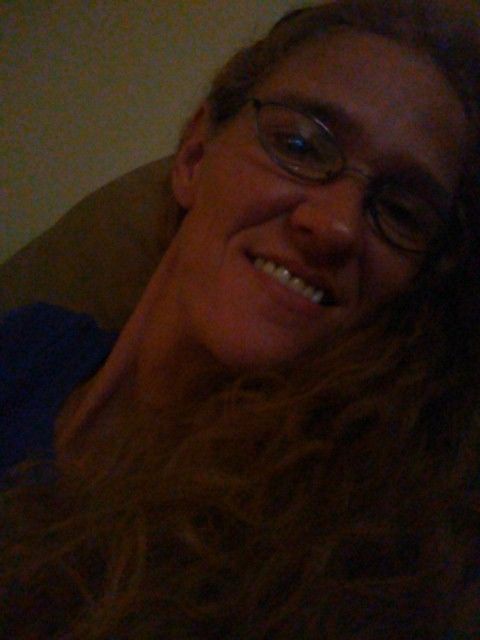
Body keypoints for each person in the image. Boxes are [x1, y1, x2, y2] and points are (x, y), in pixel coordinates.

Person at [1, 0, 479, 637]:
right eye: (300, 145)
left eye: (401, 211)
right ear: (195, 156)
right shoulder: (30, 344)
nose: (336, 225)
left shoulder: (362, 562)